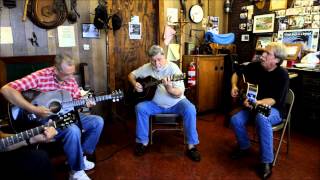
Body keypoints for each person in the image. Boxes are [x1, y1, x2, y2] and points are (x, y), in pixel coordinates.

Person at [0, 54, 104, 180]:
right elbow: (6, 90)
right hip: (43, 119)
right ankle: (75, 171)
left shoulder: (70, 79)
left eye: (73, 73)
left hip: (66, 115)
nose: (71, 78)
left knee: (97, 122)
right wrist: (34, 109)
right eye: (67, 74)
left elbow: (76, 100)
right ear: (55, 70)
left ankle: (79, 157)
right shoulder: (40, 76)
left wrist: (85, 102)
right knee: (72, 130)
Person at [128, 45, 200, 162]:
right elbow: (131, 75)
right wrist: (134, 84)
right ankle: (143, 142)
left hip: (177, 103)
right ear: (149, 59)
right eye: (153, 60)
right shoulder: (147, 67)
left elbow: (179, 92)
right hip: (155, 105)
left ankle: (191, 146)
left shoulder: (174, 69)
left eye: (159, 59)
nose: (156, 63)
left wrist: (169, 88)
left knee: (190, 109)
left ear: (164, 56)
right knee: (140, 108)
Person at [230, 42, 289, 179]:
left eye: (267, 54)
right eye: (263, 52)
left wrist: (258, 103)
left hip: (274, 109)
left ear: (276, 60)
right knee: (235, 119)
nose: (262, 55)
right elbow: (236, 73)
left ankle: (266, 161)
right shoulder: (255, 66)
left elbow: (274, 100)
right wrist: (233, 86)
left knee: (261, 118)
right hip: (253, 106)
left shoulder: (282, 75)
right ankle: (244, 147)